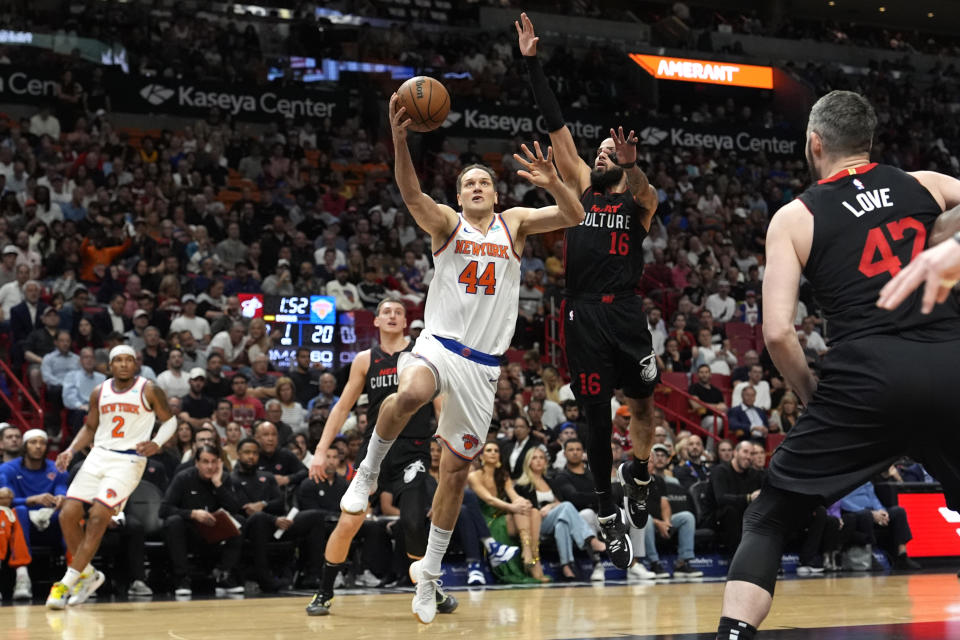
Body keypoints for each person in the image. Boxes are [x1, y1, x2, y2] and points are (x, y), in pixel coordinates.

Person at [715, 90, 960, 639]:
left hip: (866, 379)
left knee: (770, 517)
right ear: (868, 142)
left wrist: (812, 395)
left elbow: (778, 333)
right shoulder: (927, 184)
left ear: (815, 143)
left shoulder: (795, 216)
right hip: (950, 364)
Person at [337, 92, 582, 624]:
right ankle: (368, 469)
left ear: (495, 194)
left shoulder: (515, 223)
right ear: (459, 194)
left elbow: (575, 213)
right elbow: (410, 193)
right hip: (439, 344)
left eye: (484, 182)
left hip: (484, 365)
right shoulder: (447, 224)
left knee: (453, 473)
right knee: (413, 392)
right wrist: (400, 141)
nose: (477, 187)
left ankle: (428, 573)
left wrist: (553, 181)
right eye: (469, 182)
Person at [517, 12, 660, 569]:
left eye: (609, 155)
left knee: (644, 400)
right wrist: (532, 64)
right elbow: (554, 123)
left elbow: (647, 192)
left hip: (626, 312)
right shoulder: (579, 188)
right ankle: (607, 514)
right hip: (583, 315)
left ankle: (641, 473)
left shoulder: (637, 199)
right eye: (598, 153)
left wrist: (634, 166)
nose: (600, 156)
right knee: (596, 419)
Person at [305, 298, 457, 616]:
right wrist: (320, 451)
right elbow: (342, 406)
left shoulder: (421, 354)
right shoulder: (364, 360)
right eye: (385, 312)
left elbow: (440, 402)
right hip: (374, 450)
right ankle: (324, 591)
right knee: (348, 521)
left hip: (412, 449)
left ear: (405, 322)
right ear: (375, 322)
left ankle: (430, 588)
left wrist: (449, 440)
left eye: (398, 312)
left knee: (414, 523)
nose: (392, 315)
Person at [46, 345, 177, 609]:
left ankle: (65, 584)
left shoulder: (149, 389)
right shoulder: (99, 391)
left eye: (129, 360)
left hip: (128, 460)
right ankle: (88, 574)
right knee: (67, 514)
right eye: (119, 360)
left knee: (98, 516)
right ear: (110, 366)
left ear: (135, 364)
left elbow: (170, 421)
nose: (124, 364)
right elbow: (90, 427)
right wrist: (71, 450)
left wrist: (157, 443)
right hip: (98, 455)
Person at [0, 429, 69, 600]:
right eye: (33, 442)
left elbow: (62, 488)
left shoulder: (57, 468)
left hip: (52, 522)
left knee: (71, 513)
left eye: (42, 443)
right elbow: (6, 502)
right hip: (22, 525)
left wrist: (62, 496)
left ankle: (76, 576)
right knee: (19, 511)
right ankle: (22, 576)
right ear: (25, 446)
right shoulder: (8, 469)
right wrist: (30, 500)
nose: (38, 447)